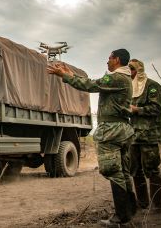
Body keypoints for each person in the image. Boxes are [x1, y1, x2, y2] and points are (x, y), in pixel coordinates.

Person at [47, 49, 136, 227]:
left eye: (109, 58)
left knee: (112, 170)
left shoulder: (117, 78)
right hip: (122, 129)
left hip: (112, 130)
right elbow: (89, 82)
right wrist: (70, 74)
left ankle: (121, 216)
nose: (107, 61)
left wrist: (64, 76)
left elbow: (90, 85)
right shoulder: (124, 78)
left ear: (117, 59)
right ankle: (130, 210)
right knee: (123, 171)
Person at [128, 59, 161, 212]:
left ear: (139, 70)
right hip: (134, 135)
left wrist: (137, 110)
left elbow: (158, 108)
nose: (130, 72)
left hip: (149, 135)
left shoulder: (152, 86)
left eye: (132, 69)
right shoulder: (130, 88)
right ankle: (143, 203)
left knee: (152, 169)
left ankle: (158, 206)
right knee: (135, 170)